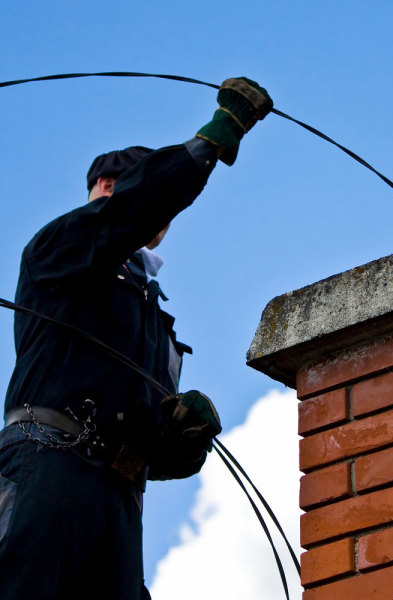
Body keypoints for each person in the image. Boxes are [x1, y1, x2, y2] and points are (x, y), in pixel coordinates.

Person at [0, 77, 272, 600]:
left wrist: (188, 435)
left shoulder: (157, 325)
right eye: (145, 191)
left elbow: (161, 456)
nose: (161, 214)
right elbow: (126, 214)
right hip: (47, 470)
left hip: (119, 503)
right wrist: (212, 141)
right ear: (105, 190)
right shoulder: (59, 251)